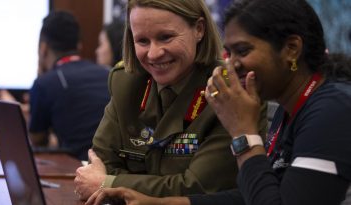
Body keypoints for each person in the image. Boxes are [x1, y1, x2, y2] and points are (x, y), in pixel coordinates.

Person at [86, 0, 351, 204]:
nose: (232, 65)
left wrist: (244, 133)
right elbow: (251, 196)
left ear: (291, 49)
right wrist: (157, 202)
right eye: (230, 52)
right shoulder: (290, 108)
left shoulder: (331, 110)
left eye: (243, 51)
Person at [73, 0, 268, 201]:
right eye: (142, 41)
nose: (154, 53)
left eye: (166, 37)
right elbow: (99, 162)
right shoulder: (126, 82)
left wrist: (110, 183)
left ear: (199, 30)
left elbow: (196, 188)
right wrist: (106, 180)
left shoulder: (231, 92)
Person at [28, 11, 110, 161]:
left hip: (80, 169)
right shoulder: (108, 73)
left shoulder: (45, 83)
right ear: (79, 45)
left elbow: (37, 140)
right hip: (119, 169)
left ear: (43, 48)